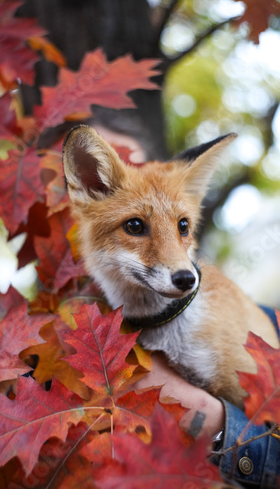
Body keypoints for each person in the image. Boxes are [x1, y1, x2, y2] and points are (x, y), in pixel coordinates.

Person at [89, 115, 280, 489]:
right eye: (135, 226)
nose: (178, 262)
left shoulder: (239, 323)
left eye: (181, 227)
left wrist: (213, 423)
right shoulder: (39, 354)